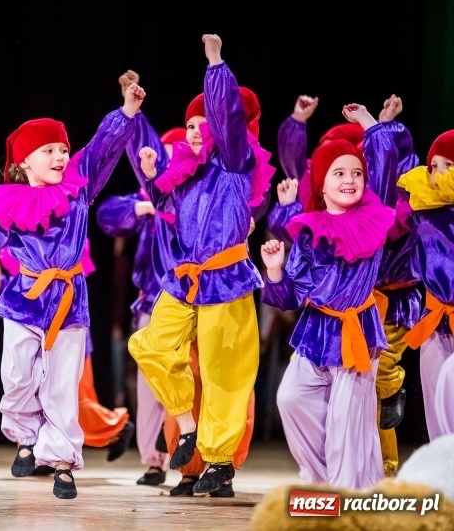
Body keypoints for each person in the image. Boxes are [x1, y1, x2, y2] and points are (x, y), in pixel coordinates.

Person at [0, 81, 146, 499]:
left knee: (60, 385)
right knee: (16, 376)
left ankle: (64, 464)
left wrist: (125, 112)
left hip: (69, 301)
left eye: (62, 150)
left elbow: (102, 148)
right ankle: (24, 436)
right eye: (48, 151)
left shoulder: (78, 189)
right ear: (24, 163)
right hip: (25, 297)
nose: (60, 157)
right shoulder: (9, 201)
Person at [126, 34, 266, 496]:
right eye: (187, 125)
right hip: (186, 279)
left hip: (226, 276)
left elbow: (228, 121)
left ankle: (220, 460)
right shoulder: (185, 175)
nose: (191, 131)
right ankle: (186, 425)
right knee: (150, 345)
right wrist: (148, 172)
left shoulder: (233, 163)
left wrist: (215, 64)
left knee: (226, 372)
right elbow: (163, 199)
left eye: (200, 123)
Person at [269, 94, 421, 476]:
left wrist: (371, 123)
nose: (350, 180)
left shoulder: (374, 217)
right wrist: (274, 271)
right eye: (339, 173)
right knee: (291, 397)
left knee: (347, 423)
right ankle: (323, 477)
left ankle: (347, 495)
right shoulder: (309, 232)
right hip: (316, 330)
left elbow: (385, 165)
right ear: (322, 184)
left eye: (356, 173)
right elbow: (292, 295)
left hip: (355, 331)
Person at [0, 242, 135, 469]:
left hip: (66, 330)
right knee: (30, 390)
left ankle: (116, 428)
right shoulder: (18, 242)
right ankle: (39, 453)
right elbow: (22, 295)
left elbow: (64, 286)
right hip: (33, 326)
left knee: (72, 400)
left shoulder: (69, 237)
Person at [398, 129, 454, 441]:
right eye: (434, 166)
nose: (438, 174)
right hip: (434, 321)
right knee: (436, 405)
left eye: (448, 165)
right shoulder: (422, 209)